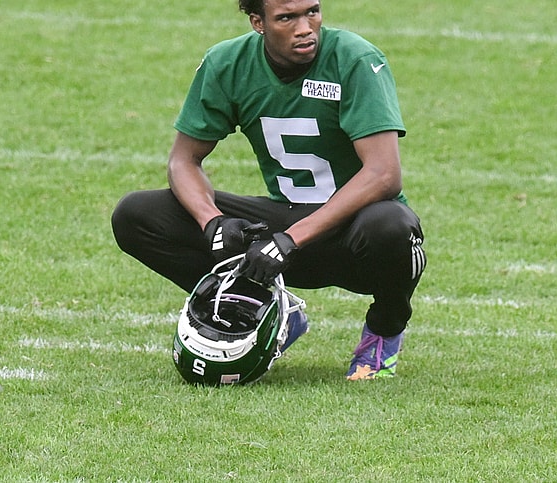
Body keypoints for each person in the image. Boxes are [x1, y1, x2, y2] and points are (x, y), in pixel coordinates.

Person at [111, 0, 426, 381]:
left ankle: (382, 335)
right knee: (137, 215)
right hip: (285, 219)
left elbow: (383, 175)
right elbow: (183, 161)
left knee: (391, 223)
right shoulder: (228, 63)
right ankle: (263, 308)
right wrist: (212, 222)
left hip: (355, 234)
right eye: (287, 18)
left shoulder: (354, 59)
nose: (306, 27)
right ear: (258, 22)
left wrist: (290, 240)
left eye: (313, 11)